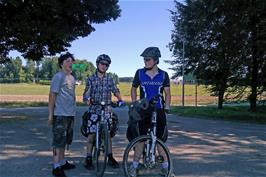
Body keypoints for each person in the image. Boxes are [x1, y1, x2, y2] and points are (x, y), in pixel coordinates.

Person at [129, 47, 171, 177]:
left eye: (148, 59)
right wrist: (135, 102)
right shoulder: (139, 73)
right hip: (143, 109)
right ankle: (134, 166)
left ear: (156, 60)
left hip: (158, 110)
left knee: (159, 140)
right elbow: (133, 89)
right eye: (144, 59)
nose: (145, 62)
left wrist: (167, 107)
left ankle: (166, 168)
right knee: (140, 139)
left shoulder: (164, 75)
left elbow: (167, 93)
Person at [82, 54, 125, 170]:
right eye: (102, 64)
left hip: (106, 110)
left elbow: (115, 91)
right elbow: (86, 92)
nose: (104, 66)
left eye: (107, 65)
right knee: (91, 136)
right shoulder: (91, 79)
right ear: (97, 64)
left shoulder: (110, 79)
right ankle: (89, 158)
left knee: (108, 136)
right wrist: (87, 99)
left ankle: (110, 156)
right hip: (94, 110)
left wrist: (120, 100)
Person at [48, 52, 76, 177]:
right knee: (58, 141)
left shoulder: (72, 78)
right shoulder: (58, 77)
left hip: (70, 114)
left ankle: (62, 162)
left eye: (71, 61)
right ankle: (56, 166)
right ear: (61, 64)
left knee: (65, 141)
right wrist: (50, 114)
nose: (70, 64)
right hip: (60, 114)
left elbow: (72, 96)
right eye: (67, 61)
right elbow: (52, 96)